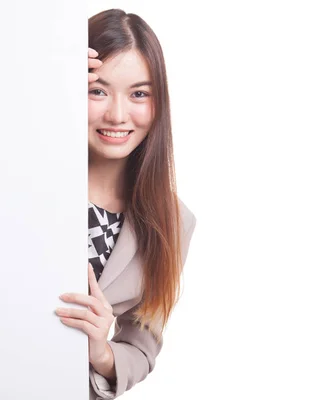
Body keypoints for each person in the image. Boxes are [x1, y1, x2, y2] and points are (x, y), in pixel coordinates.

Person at [54, 9, 198, 400]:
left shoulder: (172, 221)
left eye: (139, 93)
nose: (118, 115)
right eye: (97, 90)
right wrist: (43, 84)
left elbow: (140, 347)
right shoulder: (24, 174)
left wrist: (100, 351)